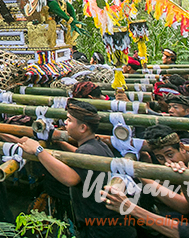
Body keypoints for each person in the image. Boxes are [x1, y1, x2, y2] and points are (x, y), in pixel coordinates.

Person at [18, 99, 137, 238]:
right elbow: (80, 156)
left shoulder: (87, 151)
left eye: (69, 120)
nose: (65, 123)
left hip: (102, 229)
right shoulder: (98, 145)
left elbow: (70, 179)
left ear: (82, 128)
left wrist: (38, 151)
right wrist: (60, 142)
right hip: (113, 225)